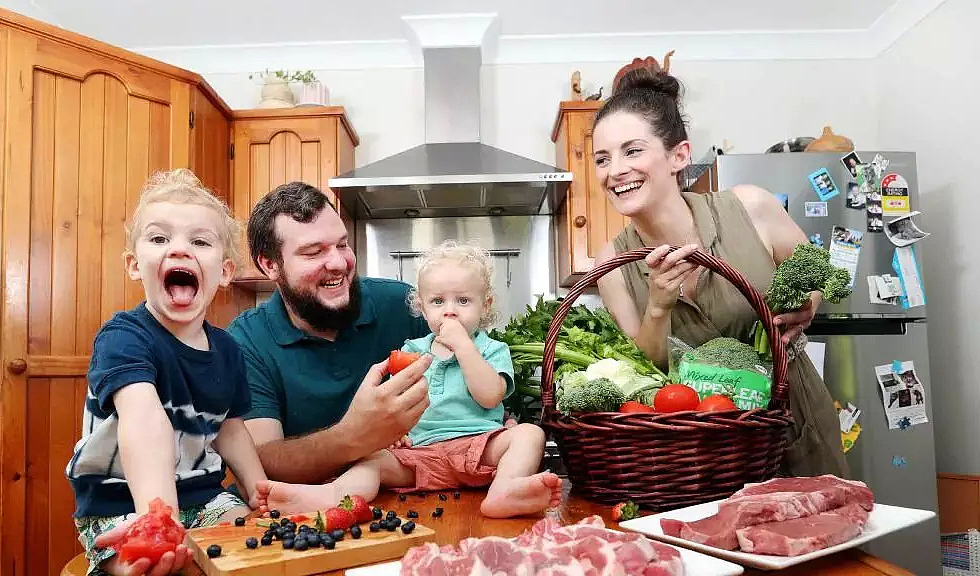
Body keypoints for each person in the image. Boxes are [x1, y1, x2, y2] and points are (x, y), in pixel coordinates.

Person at [590, 67, 849, 478]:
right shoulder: (612, 265)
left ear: (679, 155)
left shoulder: (750, 208)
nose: (614, 170)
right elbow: (648, 369)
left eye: (632, 151)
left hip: (793, 419)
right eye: (602, 159)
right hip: (699, 450)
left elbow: (816, 271)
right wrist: (657, 306)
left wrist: (809, 305)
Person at [255, 241, 561, 518]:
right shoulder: (410, 351)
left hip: (480, 449)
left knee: (529, 434)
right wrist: (394, 433)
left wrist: (464, 346)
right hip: (419, 455)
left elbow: (490, 396)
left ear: (486, 305)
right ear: (422, 307)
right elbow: (396, 405)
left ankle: (504, 490)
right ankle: (331, 495)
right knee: (372, 459)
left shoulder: (491, 349)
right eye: (438, 302)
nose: (450, 312)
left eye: (463, 301)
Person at [65, 170, 272, 576]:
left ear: (225, 272)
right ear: (133, 264)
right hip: (119, 502)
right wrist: (158, 521)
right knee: (148, 562)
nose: (179, 250)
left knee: (252, 546)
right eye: (159, 239)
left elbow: (230, 429)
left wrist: (259, 487)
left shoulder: (228, 349)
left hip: (205, 497)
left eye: (199, 241)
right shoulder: (123, 337)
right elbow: (144, 420)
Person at [226, 182, 433, 485]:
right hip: (309, 515)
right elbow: (262, 460)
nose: (338, 263)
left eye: (341, 244)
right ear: (270, 265)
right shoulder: (247, 341)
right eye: (313, 252)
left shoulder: (403, 306)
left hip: (416, 492)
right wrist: (354, 436)